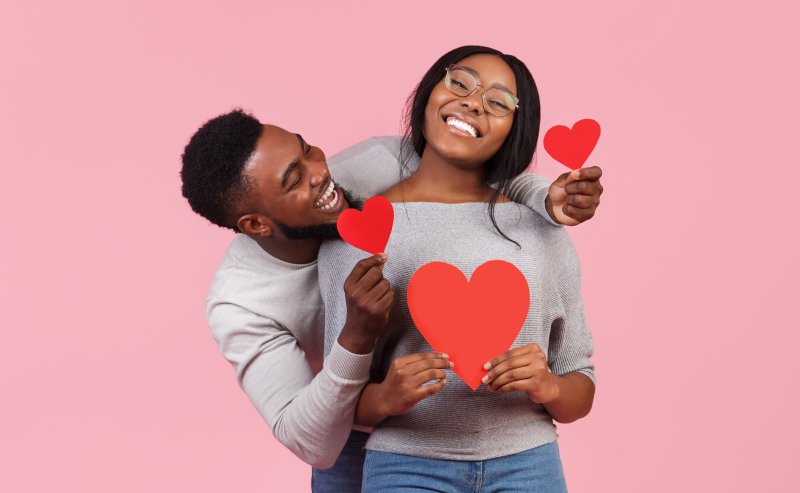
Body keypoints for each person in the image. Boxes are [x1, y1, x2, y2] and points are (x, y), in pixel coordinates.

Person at [180, 108, 603, 490]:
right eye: (293, 179)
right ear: (255, 224)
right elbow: (311, 440)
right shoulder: (240, 303)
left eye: (307, 149)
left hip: (461, 423)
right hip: (350, 437)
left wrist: (545, 196)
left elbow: (477, 167)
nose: (319, 173)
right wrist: (356, 337)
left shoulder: (382, 161)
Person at [319, 45, 595, 492]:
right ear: (430, 92)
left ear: (514, 129)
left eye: (498, 102)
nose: (472, 102)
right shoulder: (358, 233)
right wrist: (385, 397)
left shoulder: (542, 230)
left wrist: (548, 386)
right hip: (406, 466)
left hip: (529, 464)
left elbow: (580, 387)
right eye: (460, 83)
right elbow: (334, 400)